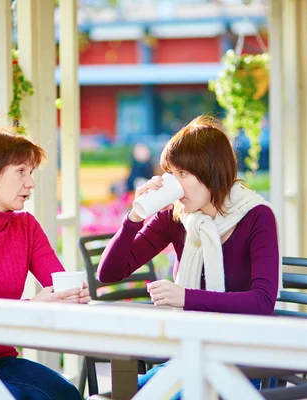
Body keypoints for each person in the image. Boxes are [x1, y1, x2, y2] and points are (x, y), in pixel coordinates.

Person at [97, 115, 280, 397]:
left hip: (242, 361)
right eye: (171, 174)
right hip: (188, 354)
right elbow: (109, 273)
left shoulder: (256, 216)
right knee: (121, 394)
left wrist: (186, 297)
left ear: (212, 172)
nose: (176, 185)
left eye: (183, 174)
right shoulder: (176, 216)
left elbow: (263, 302)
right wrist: (135, 215)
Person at [0, 116, 89, 400]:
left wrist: (71, 295)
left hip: (2, 362)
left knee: (66, 395)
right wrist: (29, 307)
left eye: (31, 172)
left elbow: (57, 280)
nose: (30, 183)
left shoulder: (25, 226)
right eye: (20, 171)